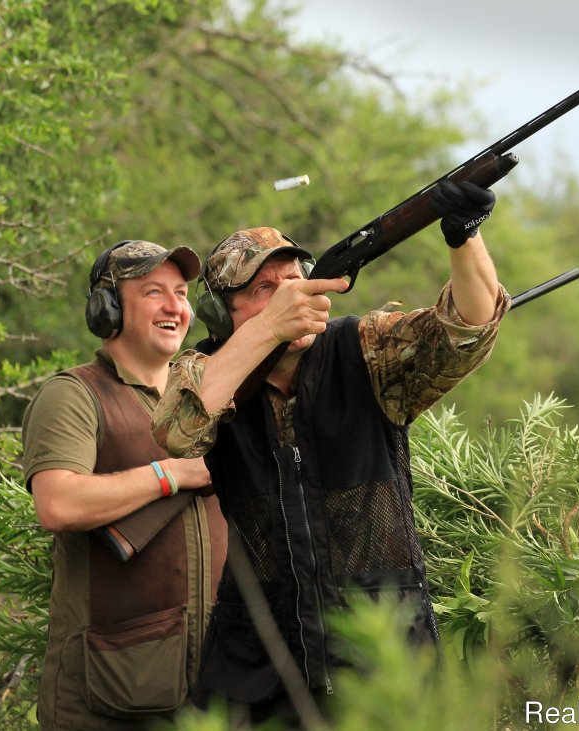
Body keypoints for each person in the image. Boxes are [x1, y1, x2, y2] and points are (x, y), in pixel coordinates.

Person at [151, 181, 508, 725]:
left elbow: (468, 328)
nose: (290, 295)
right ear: (223, 315)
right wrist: (269, 330)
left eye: (295, 281)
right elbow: (178, 431)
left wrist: (464, 236)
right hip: (260, 663)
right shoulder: (205, 372)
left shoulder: (362, 348)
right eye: (264, 289)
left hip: (381, 651)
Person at [22, 240, 228, 730]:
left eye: (180, 293)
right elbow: (57, 503)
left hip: (213, 689)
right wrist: (172, 473)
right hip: (107, 693)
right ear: (107, 309)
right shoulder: (74, 395)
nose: (174, 306)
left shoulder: (210, 400)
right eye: (153, 292)